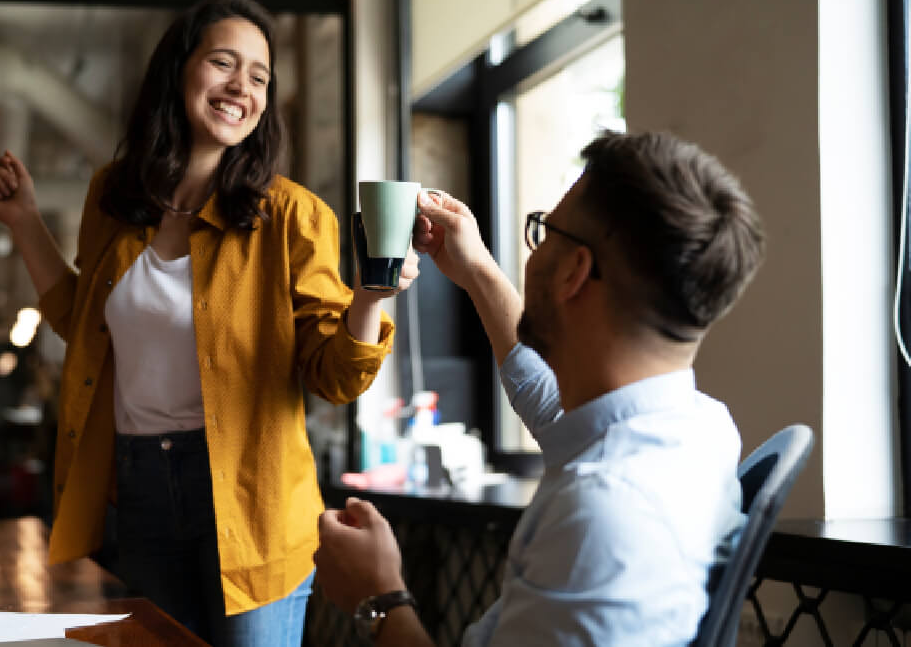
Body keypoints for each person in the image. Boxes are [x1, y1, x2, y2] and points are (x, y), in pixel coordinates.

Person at [0, 0, 417, 647]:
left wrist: (370, 299)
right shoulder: (114, 196)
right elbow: (89, 327)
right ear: (179, 71)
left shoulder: (294, 217)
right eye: (223, 63)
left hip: (254, 500)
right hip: (142, 489)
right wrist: (26, 223)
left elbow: (334, 377)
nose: (242, 86)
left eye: (260, 76)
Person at [314, 130, 766, 646]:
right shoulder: (698, 428)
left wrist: (378, 596)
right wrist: (477, 268)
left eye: (545, 233)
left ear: (576, 269)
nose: (536, 248)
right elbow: (552, 404)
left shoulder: (601, 516)